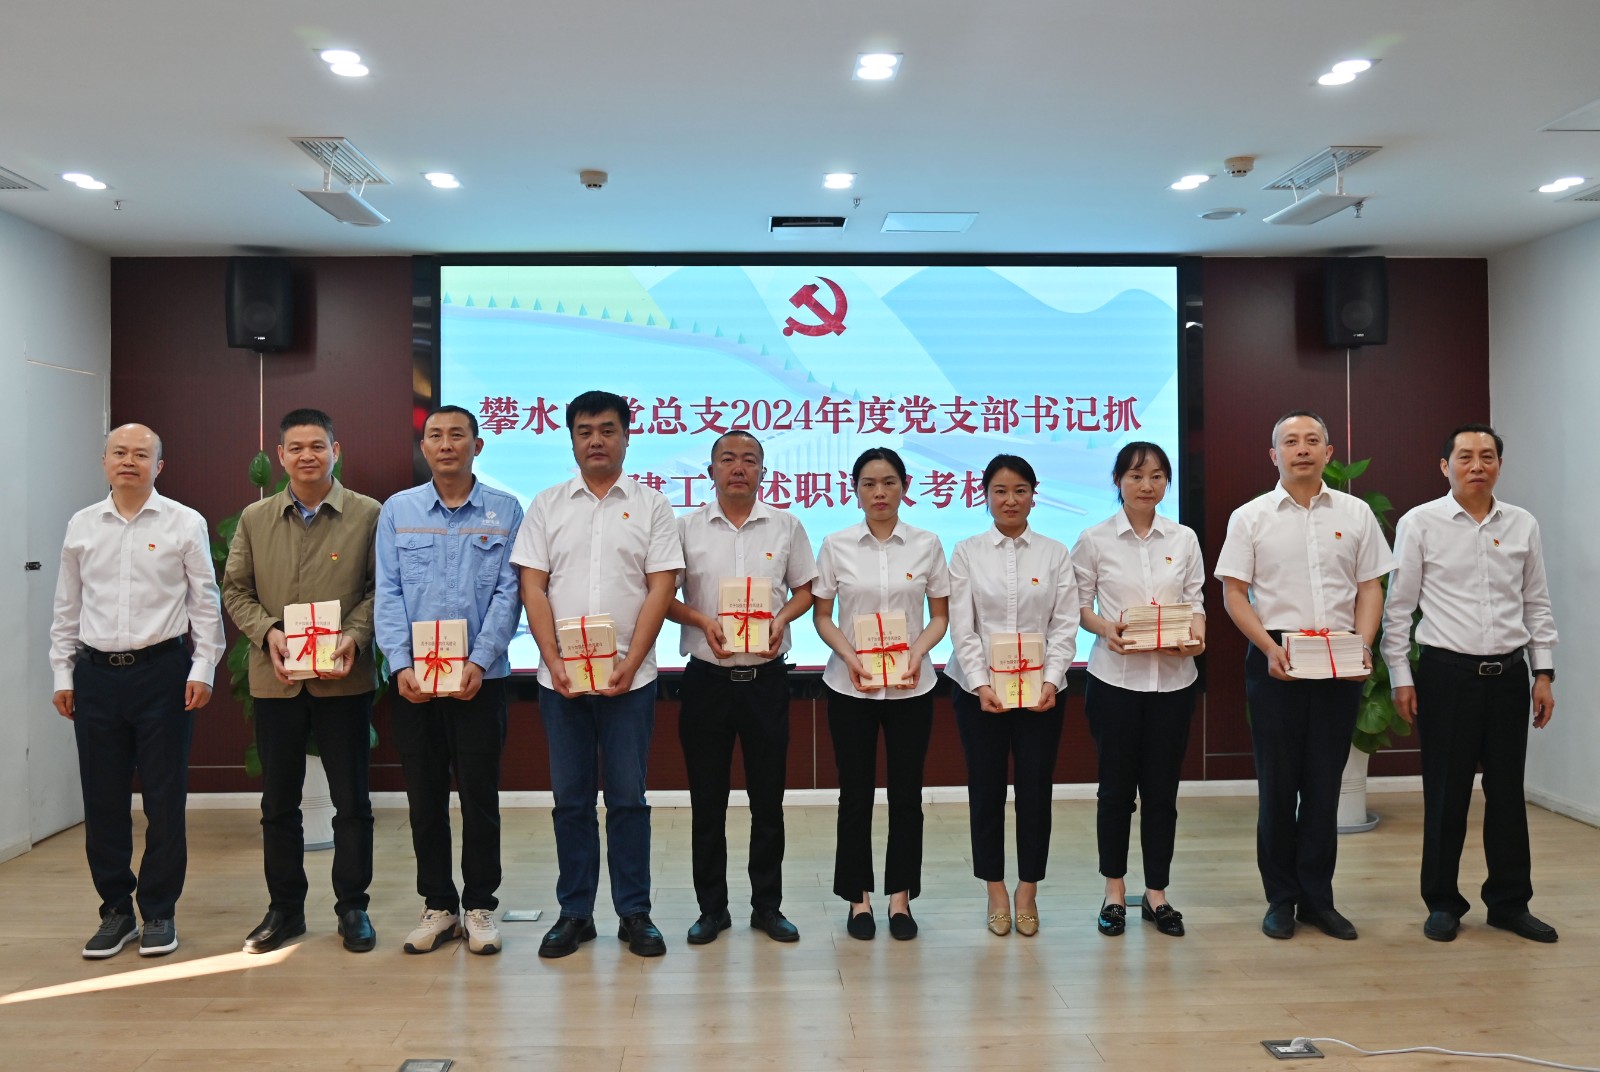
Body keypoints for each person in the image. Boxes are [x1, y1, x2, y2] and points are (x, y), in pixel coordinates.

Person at [512, 390, 683, 959]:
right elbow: (533, 586)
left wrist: (633, 660)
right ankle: (575, 913)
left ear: (627, 437)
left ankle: (635, 913)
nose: (596, 441)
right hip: (560, 682)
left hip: (630, 681)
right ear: (571, 440)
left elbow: (661, 587)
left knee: (629, 798)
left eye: (607, 430)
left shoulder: (653, 505)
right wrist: (553, 660)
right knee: (571, 800)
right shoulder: (547, 505)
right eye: (584, 431)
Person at [1215, 410, 1393, 941]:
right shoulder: (1250, 517)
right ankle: (1281, 898)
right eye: (1290, 442)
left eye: (1312, 440)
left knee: (1323, 785)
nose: (1302, 449)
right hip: (1277, 658)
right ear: (1274, 455)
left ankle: (1318, 899)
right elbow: (1234, 593)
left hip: (1339, 658)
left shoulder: (1356, 513)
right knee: (1278, 786)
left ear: (1328, 453)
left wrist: (1362, 647)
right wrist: (1269, 648)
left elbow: (1370, 587)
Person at [50, 424, 226, 959]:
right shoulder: (82, 525)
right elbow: (67, 606)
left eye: (141, 454)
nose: (129, 461)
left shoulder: (184, 521)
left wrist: (203, 667)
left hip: (162, 673)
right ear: (104, 460)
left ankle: (159, 909)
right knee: (102, 798)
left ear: (159, 466)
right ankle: (116, 911)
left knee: (164, 798)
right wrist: (62, 674)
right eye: (120, 452)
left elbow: (204, 601)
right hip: (96, 676)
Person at [1382, 423, 1559, 943]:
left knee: (1507, 794)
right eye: (1465, 456)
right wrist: (1401, 677)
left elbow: (1537, 603)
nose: (1477, 465)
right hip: (1447, 677)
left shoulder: (1523, 524)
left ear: (1500, 464)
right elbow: (1398, 608)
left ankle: (1509, 903)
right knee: (1446, 794)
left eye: (1487, 456)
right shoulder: (1420, 523)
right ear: (1445, 466)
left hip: (1508, 676)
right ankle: (1442, 902)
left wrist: (1543, 672)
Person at [222, 408, 382, 954]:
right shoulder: (255, 518)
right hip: (278, 679)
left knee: (352, 802)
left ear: (336, 451)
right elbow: (235, 589)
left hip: (343, 679)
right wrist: (267, 632)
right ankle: (285, 909)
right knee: (278, 803)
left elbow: (381, 589)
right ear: (281, 456)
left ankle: (353, 907)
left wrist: (354, 636)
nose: (307, 455)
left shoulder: (368, 514)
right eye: (296, 447)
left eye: (318, 446)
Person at [374, 405, 524, 955]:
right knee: (425, 798)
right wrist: (400, 663)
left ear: (476, 446)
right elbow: (387, 591)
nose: (445, 444)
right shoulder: (399, 510)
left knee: (480, 797)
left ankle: (480, 905)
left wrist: (479, 660)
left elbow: (510, 593)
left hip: (481, 680)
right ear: (424, 447)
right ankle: (438, 904)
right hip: (416, 682)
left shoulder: (506, 510)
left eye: (457, 435)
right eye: (434, 435)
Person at [667, 431, 815, 945]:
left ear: (762, 471)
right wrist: (700, 621)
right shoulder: (685, 527)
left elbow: (806, 590)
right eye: (727, 459)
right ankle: (712, 909)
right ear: (710, 471)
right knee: (707, 802)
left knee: (767, 802)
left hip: (766, 682)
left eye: (749, 460)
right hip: (706, 680)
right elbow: (663, 596)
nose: (738, 468)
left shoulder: (786, 525)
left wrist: (781, 619)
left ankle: (767, 907)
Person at [812, 446, 950, 941]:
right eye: (869, 484)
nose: (879, 492)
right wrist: (849, 655)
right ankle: (858, 900)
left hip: (912, 688)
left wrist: (917, 652)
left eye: (889, 482)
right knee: (855, 794)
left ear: (905, 487)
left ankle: (900, 899)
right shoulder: (836, 545)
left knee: (907, 795)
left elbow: (939, 616)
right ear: (855, 491)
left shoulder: (927, 544)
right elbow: (822, 616)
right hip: (850, 687)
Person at [1072, 442, 1206, 939]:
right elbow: (1079, 606)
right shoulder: (1094, 539)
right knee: (1115, 792)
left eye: (1156, 476)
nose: (1146, 485)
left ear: (1167, 482)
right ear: (1118, 481)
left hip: (1173, 682)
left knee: (1162, 794)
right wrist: (1105, 629)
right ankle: (1114, 892)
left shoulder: (1184, 538)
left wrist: (1197, 640)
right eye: (1135, 476)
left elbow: (1195, 602)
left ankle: (1157, 894)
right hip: (1116, 682)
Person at [945, 454, 1077, 938]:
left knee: (1035, 791)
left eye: (1020, 490)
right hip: (978, 692)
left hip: (1042, 693)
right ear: (985, 496)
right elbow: (962, 626)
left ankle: (1028, 890)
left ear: (1034, 496)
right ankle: (995, 889)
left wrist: (1052, 680)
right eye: (1000, 491)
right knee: (986, 790)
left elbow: (1064, 624)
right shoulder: (967, 552)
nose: (1010, 500)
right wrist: (981, 684)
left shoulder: (1055, 553)